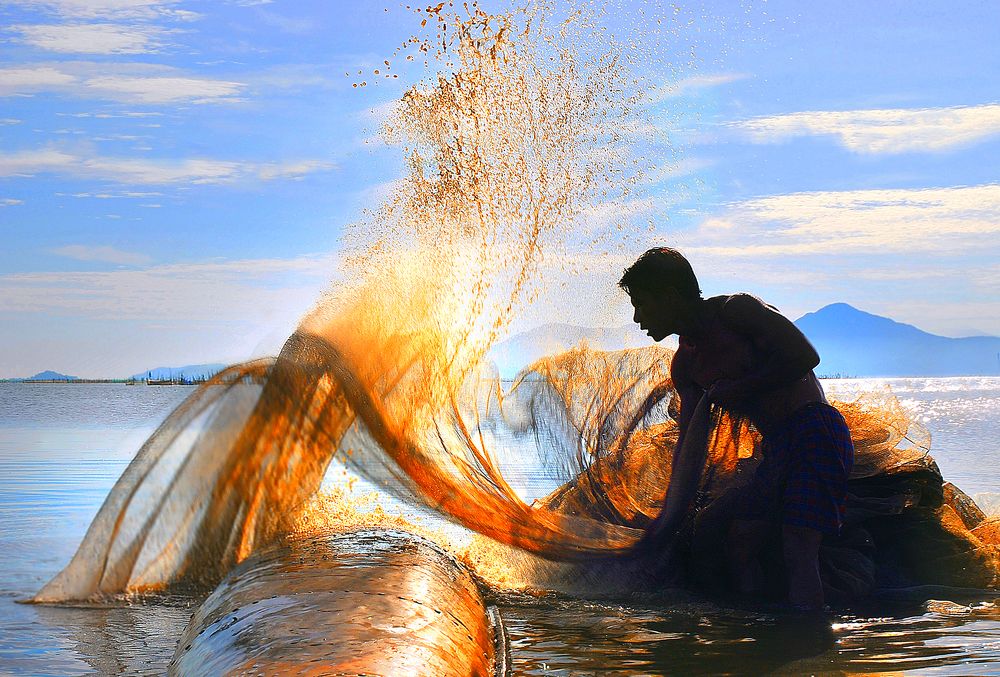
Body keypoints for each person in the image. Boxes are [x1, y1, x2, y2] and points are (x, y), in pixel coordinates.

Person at [619, 247, 854, 610]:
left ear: (669, 296)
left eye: (642, 303)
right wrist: (670, 515)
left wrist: (739, 388)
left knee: (798, 547)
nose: (637, 317)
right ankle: (754, 638)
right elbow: (691, 444)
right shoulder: (686, 365)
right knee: (735, 538)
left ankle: (812, 647)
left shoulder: (735, 312)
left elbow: (806, 356)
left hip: (814, 430)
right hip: (776, 448)